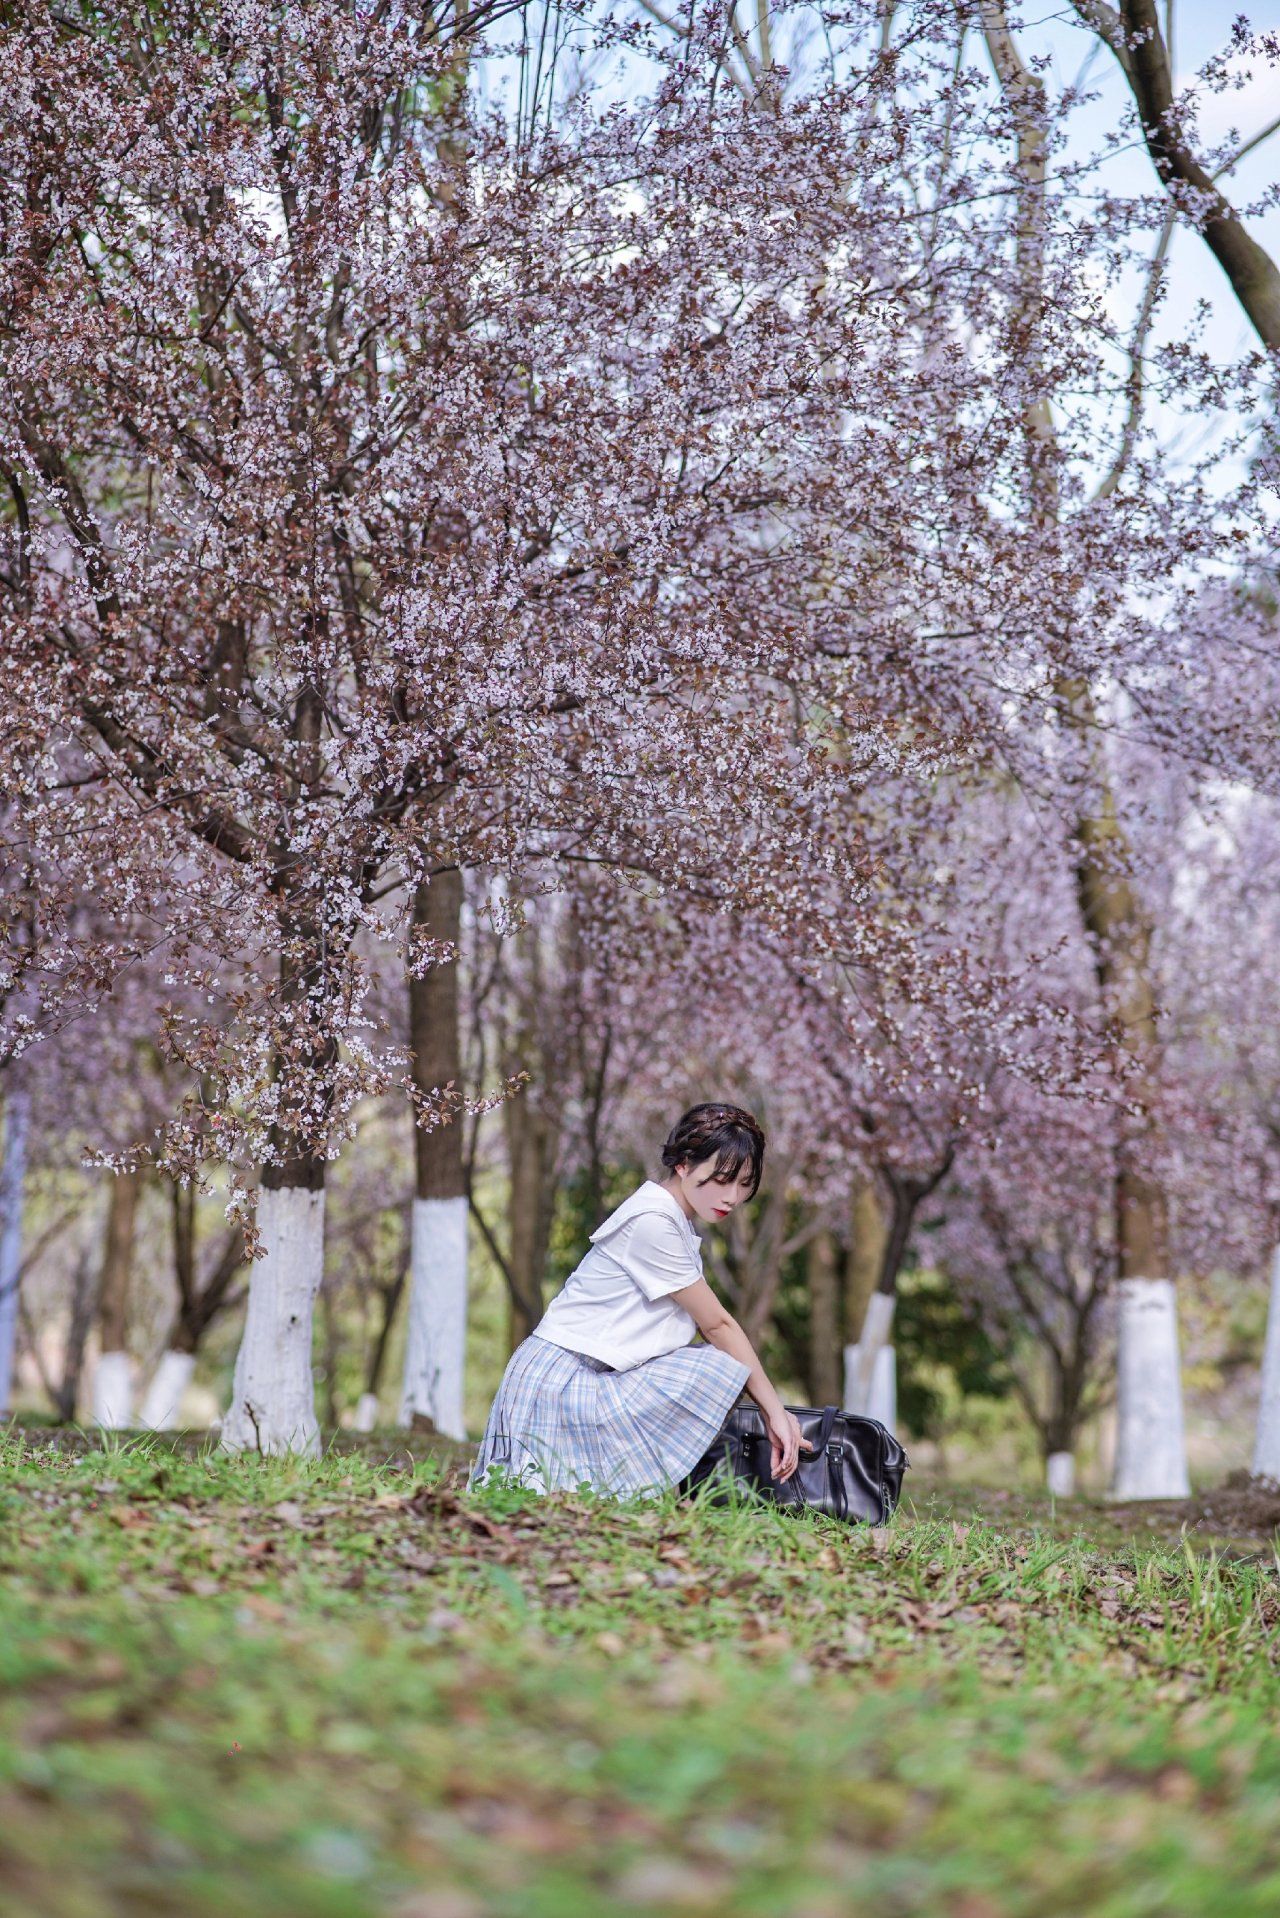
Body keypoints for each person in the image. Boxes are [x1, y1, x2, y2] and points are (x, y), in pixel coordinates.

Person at [469, 1102, 809, 1498]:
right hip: (558, 1382)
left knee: (714, 1367)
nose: (732, 1197)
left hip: (583, 1377)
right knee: (717, 1365)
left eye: (745, 1183)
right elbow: (717, 1325)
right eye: (721, 1179)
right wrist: (775, 1411)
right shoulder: (653, 1221)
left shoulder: (669, 1218)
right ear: (683, 1164)